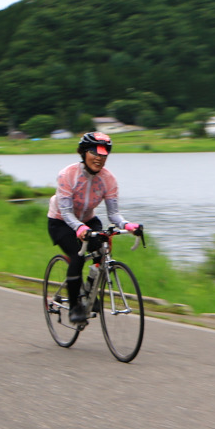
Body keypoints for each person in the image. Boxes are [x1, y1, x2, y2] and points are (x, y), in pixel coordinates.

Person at [47, 131, 142, 323]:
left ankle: (90, 292)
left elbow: (113, 214)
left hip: (89, 220)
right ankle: (75, 306)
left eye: (104, 153)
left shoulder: (109, 180)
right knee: (78, 256)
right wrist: (79, 229)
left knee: (102, 249)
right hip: (60, 221)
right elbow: (66, 213)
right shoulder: (67, 175)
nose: (99, 158)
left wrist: (127, 225)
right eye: (94, 152)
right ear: (83, 153)